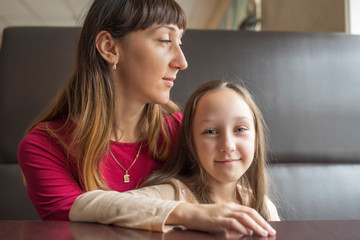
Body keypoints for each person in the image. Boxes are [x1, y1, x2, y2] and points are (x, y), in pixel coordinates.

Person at [17, 0, 274, 236]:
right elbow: (76, 214)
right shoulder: (43, 146)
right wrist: (189, 213)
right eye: (164, 40)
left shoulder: (184, 131)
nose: (181, 61)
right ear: (109, 48)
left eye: (180, 42)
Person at [69, 80, 279, 237]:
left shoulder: (262, 205)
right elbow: (83, 206)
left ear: (256, 139)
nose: (227, 146)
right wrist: (194, 214)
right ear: (191, 141)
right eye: (211, 132)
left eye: (240, 129)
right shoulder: (173, 193)